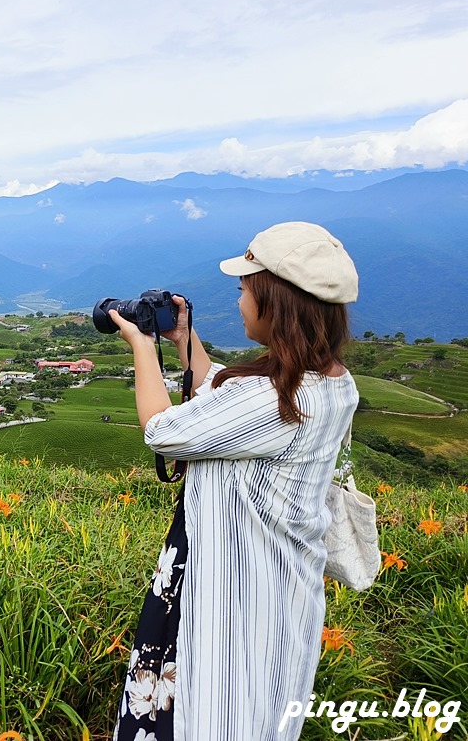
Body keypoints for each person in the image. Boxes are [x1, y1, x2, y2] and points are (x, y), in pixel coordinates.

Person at [109, 221, 360, 741]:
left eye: (245, 288)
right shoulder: (330, 381)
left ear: (277, 302)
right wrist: (185, 340)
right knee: (263, 713)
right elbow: (226, 403)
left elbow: (163, 430)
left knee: (217, 715)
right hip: (282, 590)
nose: (240, 299)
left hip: (233, 597)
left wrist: (141, 345)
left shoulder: (276, 400)